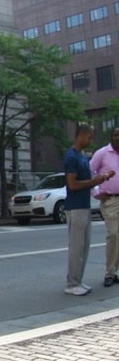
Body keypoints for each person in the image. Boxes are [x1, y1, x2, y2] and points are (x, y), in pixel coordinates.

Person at [63, 123, 111, 296]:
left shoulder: (82, 156)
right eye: (89, 137)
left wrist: (98, 185)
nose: (90, 140)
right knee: (76, 247)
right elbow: (72, 184)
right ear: (82, 135)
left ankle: (78, 281)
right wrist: (96, 181)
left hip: (84, 206)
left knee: (84, 246)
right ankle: (72, 282)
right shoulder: (72, 157)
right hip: (75, 207)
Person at [90, 126, 119, 287]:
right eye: (115, 135)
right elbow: (87, 172)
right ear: (111, 136)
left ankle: (114, 272)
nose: (117, 138)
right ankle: (109, 273)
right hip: (110, 201)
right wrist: (96, 193)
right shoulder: (102, 153)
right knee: (114, 235)